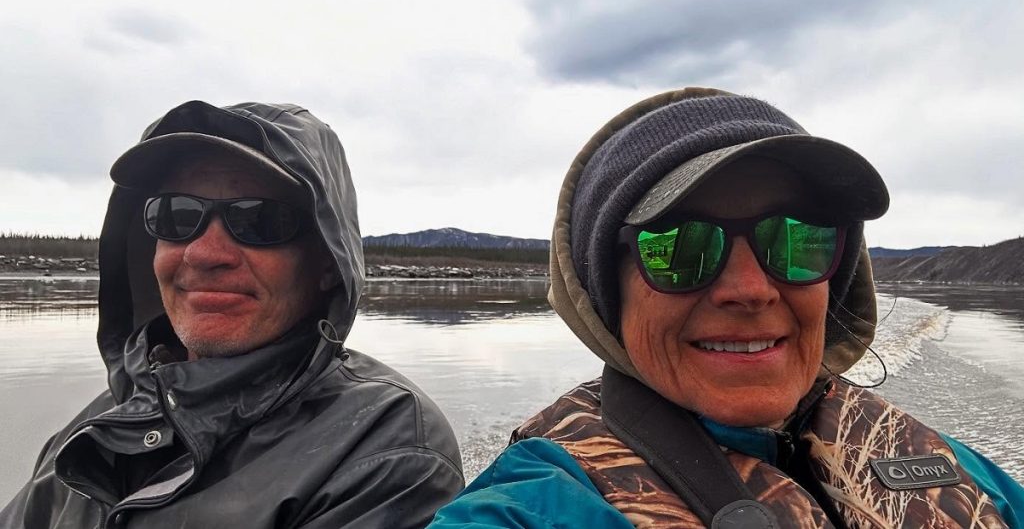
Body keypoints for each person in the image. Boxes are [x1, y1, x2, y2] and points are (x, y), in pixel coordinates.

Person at [431, 88, 1022, 527]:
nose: (751, 288)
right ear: (607, 294)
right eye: (680, 247)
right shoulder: (532, 505)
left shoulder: (966, 474)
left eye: (795, 240)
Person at [2, 101, 463, 528]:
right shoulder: (106, 421)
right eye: (176, 215)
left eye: (259, 220)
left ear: (327, 262)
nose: (204, 253)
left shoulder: (386, 448)